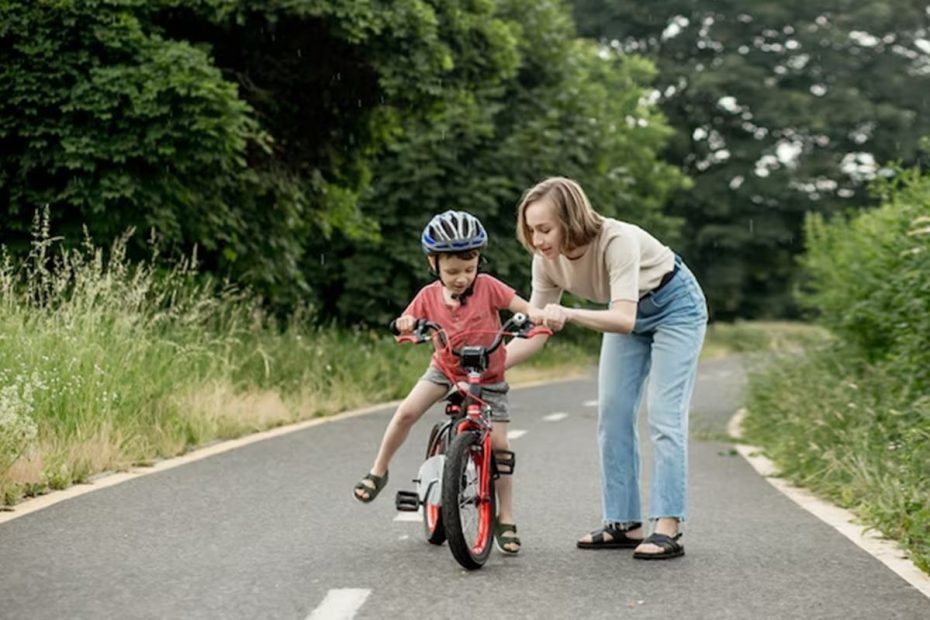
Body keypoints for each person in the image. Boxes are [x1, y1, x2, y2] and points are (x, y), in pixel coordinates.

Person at [505, 177, 708, 560]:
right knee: (612, 412)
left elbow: (624, 319)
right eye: (531, 231)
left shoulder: (617, 240)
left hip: (675, 307)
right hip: (623, 316)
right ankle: (623, 524)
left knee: (664, 415)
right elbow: (538, 326)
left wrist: (568, 313)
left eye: (545, 229)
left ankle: (667, 526)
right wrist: (494, 366)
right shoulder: (545, 262)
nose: (538, 240)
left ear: (570, 218)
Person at [353, 209, 535, 555]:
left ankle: (506, 517)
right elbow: (407, 319)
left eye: (469, 268)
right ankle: (379, 471)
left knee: (499, 446)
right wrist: (406, 325)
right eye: (452, 271)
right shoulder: (427, 296)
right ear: (433, 264)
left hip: (489, 376)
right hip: (446, 370)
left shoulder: (490, 287)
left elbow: (522, 307)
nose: (462, 278)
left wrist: (535, 317)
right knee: (407, 412)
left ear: (479, 261)